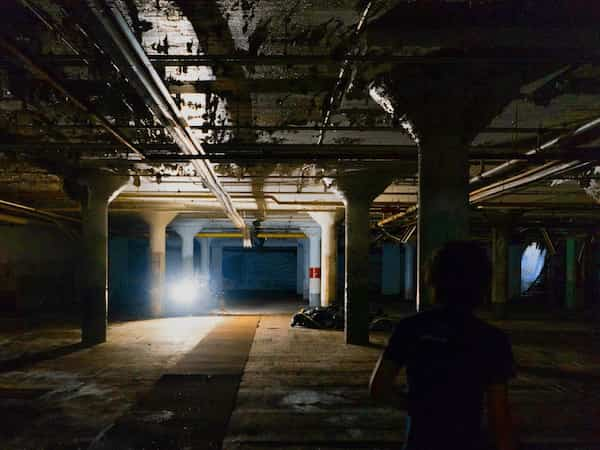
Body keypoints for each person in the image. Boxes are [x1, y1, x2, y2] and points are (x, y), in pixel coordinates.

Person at [369, 241, 517, 450]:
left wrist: (419, 407)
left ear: (433, 281)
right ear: (483, 285)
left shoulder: (410, 328)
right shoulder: (492, 339)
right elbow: (499, 417)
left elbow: (379, 388)